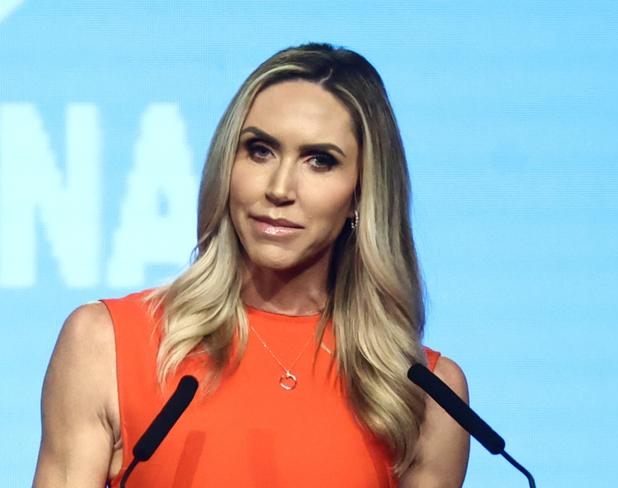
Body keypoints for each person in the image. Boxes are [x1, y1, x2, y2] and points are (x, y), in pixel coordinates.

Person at [33, 42, 470, 487]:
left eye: (320, 161)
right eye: (260, 150)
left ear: (361, 193)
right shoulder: (107, 345)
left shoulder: (425, 394)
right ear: (228, 164)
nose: (280, 188)